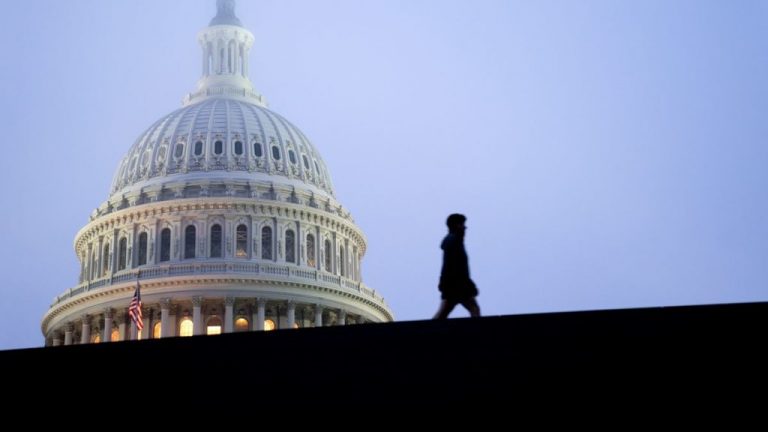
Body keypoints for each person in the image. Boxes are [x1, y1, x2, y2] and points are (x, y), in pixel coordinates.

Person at [433, 213, 481, 319]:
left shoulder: (453, 241)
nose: (465, 227)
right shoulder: (453, 241)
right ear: (457, 225)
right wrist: (468, 284)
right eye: (462, 224)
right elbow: (453, 266)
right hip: (458, 285)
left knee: (443, 312)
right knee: (474, 309)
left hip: (453, 285)